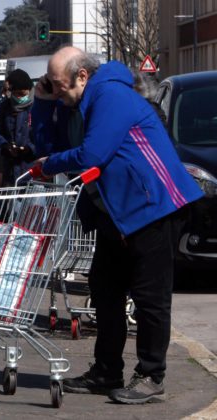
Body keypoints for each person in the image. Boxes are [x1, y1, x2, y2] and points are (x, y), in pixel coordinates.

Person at [33, 46, 203, 404]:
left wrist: (49, 164)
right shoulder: (79, 102)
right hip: (120, 212)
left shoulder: (109, 94)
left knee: (149, 296)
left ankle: (151, 375)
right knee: (105, 287)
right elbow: (53, 144)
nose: (55, 88)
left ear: (82, 75)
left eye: (58, 83)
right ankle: (107, 370)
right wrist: (43, 100)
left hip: (154, 206)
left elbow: (92, 155)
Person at [0, 69, 34, 187]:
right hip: (9, 167)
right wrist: (5, 146)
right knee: (8, 202)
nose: (20, 97)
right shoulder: (4, 106)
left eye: (23, 94)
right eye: (17, 94)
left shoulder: (36, 107)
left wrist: (29, 149)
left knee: (31, 203)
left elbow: (43, 135)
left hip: (31, 167)